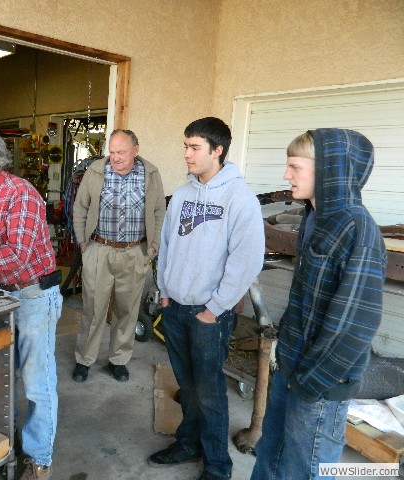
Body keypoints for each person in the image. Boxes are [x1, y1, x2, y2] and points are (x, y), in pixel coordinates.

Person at [251, 129, 386, 480]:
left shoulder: (358, 230)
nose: (286, 175)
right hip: (292, 367)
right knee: (270, 456)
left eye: (295, 166)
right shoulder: (314, 217)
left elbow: (356, 325)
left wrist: (310, 383)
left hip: (319, 385)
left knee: (306, 470)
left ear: (328, 171)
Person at [148, 117, 264, 480]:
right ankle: (188, 444)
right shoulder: (182, 195)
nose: (186, 154)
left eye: (195, 147)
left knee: (210, 392)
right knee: (189, 387)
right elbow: (165, 247)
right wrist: (164, 292)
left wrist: (214, 309)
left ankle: (217, 467)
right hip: (176, 308)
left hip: (207, 314)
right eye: (185, 146)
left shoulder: (239, 198)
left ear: (218, 151)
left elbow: (245, 262)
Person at [0, 130, 63, 480]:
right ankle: (7, 445)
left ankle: (39, 459)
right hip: (4, 295)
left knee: (38, 383)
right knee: (2, 376)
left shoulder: (22, 195)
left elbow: (17, 258)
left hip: (34, 295)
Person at [71, 129, 165, 382]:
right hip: (99, 250)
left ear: (136, 149)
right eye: (112, 152)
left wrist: (153, 246)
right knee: (93, 309)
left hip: (135, 252)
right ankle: (84, 360)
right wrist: (83, 244)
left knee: (127, 311)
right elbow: (80, 208)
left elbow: (158, 211)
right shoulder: (96, 172)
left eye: (121, 152)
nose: (116, 157)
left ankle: (119, 360)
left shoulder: (150, 174)